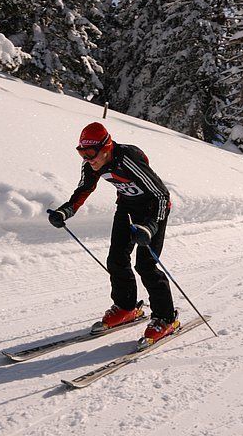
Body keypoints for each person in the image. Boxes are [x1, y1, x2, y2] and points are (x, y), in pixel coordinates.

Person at [48, 122, 179, 344]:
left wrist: (150, 227)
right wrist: (64, 212)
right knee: (116, 259)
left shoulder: (128, 159)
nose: (88, 159)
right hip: (127, 208)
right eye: (82, 153)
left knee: (145, 265)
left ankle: (166, 318)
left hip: (152, 211)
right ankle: (126, 307)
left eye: (91, 153)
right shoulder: (91, 164)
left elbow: (161, 195)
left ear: (106, 148)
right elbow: (84, 189)